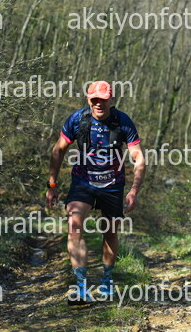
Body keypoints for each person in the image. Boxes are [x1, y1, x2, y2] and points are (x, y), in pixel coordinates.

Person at [46, 80, 146, 304]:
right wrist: (52, 185)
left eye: (103, 99)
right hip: (83, 182)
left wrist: (134, 191)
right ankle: (81, 287)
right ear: (89, 100)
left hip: (113, 184)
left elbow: (138, 157)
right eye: (94, 100)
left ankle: (106, 280)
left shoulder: (122, 121)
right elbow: (58, 149)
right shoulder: (77, 119)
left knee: (110, 232)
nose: (99, 104)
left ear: (112, 99)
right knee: (74, 227)